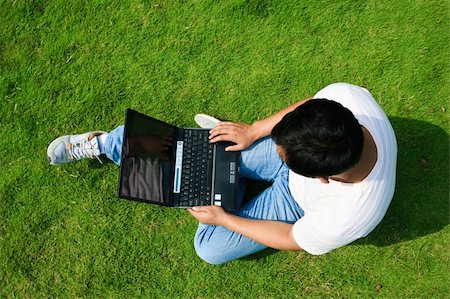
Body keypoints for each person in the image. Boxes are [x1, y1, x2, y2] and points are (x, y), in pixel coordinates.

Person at [47, 82, 397, 264]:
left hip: (298, 206)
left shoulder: (350, 216)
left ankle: (224, 179)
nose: (278, 150)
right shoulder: (345, 99)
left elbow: (293, 239)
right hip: (309, 161)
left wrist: (223, 219)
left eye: (284, 156)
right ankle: (107, 143)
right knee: (209, 146)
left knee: (209, 247)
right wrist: (255, 131)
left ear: (321, 178)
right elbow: (309, 106)